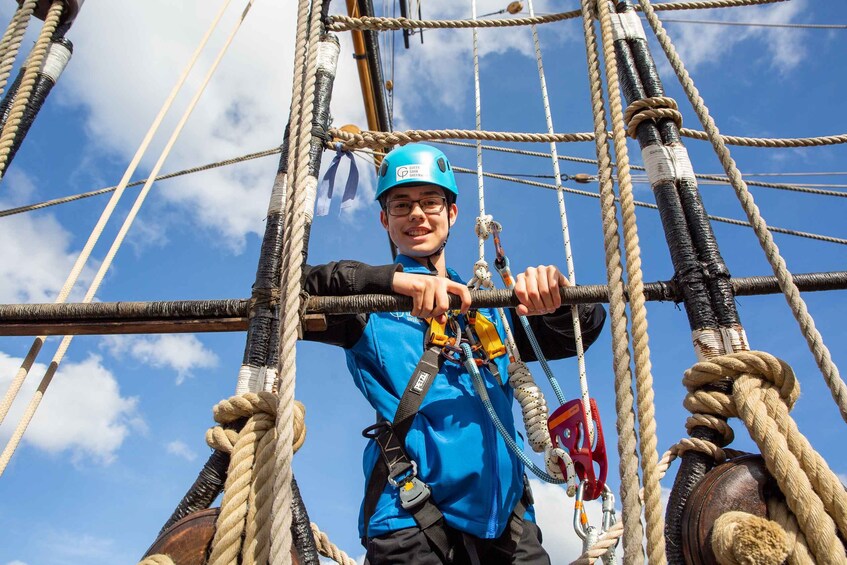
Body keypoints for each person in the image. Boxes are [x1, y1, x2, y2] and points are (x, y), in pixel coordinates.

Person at [302, 144, 606, 564]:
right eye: (402, 205)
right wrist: (392, 282)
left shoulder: (486, 308)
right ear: (384, 219)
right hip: (410, 519)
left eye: (430, 202)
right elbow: (289, 287)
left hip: (509, 522)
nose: (417, 214)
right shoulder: (367, 306)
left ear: (452, 213)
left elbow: (578, 332)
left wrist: (559, 295)